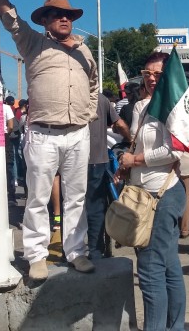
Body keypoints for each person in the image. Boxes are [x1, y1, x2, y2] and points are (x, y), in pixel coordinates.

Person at [0, 0, 99, 280]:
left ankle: (76, 252)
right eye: (56, 15)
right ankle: (36, 256)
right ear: (45, 21)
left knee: (76, 197)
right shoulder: (33, 43)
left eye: (68, 15)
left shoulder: (85, 50)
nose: (64, 19)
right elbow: (10, 19)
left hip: (78, 133)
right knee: (37, 197)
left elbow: (93, 85)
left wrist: (89, 113)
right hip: (42, 134)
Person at [116, 50, 186, 330]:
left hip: (162, 193)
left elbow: (174, 150)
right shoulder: (139, 107)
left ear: (169, 76)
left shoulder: (176, 106)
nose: (152, 78)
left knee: (150, 270)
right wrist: (127, 165)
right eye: (147, 74)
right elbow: (138, 143)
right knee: (168, 265)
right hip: (142, 191)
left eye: (158, 74)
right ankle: (175, 326)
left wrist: (136, 160)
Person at [86, 91, 129, 260]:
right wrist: (130, 138)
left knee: (73, 207)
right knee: (97, 207)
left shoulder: (70, 94)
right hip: (98, 159)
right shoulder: (100, 98)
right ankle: (97, 250)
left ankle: (74, 251)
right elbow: (119, 125)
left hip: (74, 161)